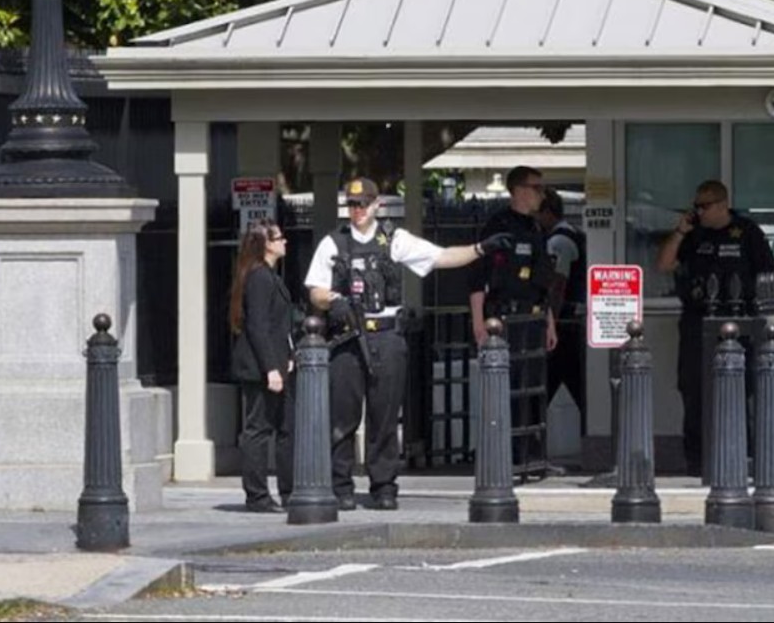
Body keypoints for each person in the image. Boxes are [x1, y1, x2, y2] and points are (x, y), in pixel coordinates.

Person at [305, 177, 513, 511]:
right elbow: (315, 288)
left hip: (387, 335)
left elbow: (440, 257)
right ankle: (339, 485)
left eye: (363, 204)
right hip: (347, 336)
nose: (357, 210)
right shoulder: (333, 243)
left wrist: (480, 249)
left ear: (377, 205)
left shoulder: (394, 238)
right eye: (352, 204)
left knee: (385, 416)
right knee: (342, 418)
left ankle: (383, 486)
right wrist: (333, 301)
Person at [655, 179, 774, 477]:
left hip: (739, 322)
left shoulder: (747, 233)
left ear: (722, 204)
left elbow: (768, 276)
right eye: (696, 206)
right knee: (694, 389)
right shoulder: (694, 235)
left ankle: (742, 456)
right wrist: (681, 231)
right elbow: (664, 264)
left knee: (740, 389)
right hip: (698, 321)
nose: (699, 211)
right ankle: (696, 460)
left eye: (705, 206)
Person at [468, 166, 558, 479]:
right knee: (507, 387)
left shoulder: (535, 228)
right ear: (518, 190)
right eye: (537, 188)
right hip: (503, 317)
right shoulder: (498, 226)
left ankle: (531, 457)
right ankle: (506, 456)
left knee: (532, 389)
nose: (541, 195)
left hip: (532, 316)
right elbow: (478, 278)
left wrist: (549, 322)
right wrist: (479, 322)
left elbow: (543, 280)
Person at [229, 219, 296, 513]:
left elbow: (278, 325)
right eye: (279, 237)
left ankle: (288, 490)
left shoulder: (269, 276)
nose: (285, 242)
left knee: (285, 428)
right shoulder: (259, 277)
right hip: (262, 368)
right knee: (258, 430)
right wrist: (271, 368)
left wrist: (288, 356)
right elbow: (257, 326)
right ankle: (256, 495)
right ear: (266, 243)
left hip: (277, 363)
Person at [536, 188, 587, 443]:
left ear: (547, 212)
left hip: (565, 324)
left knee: (548, 382)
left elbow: (558, 285)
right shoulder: (575, 234)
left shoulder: (558, 241)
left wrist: (550, 322)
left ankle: (531, 440)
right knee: (574, 383)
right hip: (573, 322)